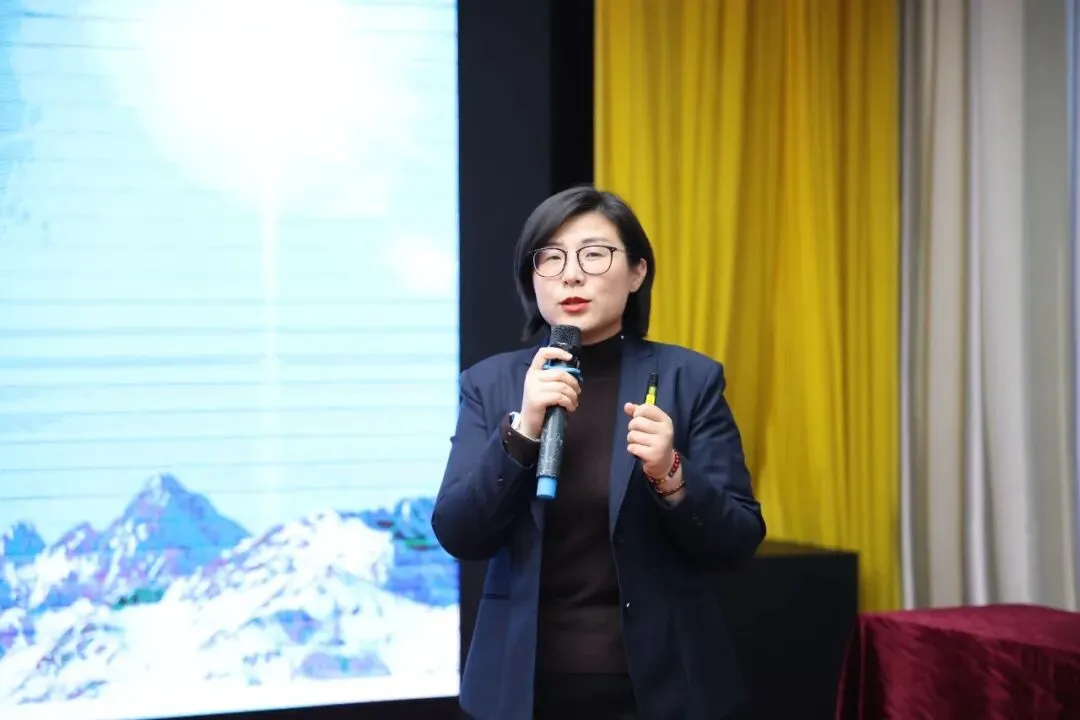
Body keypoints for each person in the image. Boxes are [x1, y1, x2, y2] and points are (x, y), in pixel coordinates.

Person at [432, 186, 766, 720]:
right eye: (551, 258)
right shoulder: (490, 385)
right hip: (522, 688)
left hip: (663, 687)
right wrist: (522, 433)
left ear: (637, 272)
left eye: (594, 254)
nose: (571, 275)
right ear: (531, 278)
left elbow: (737, 541)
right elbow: (459, 533)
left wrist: (671, 473)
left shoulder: (689, 380)